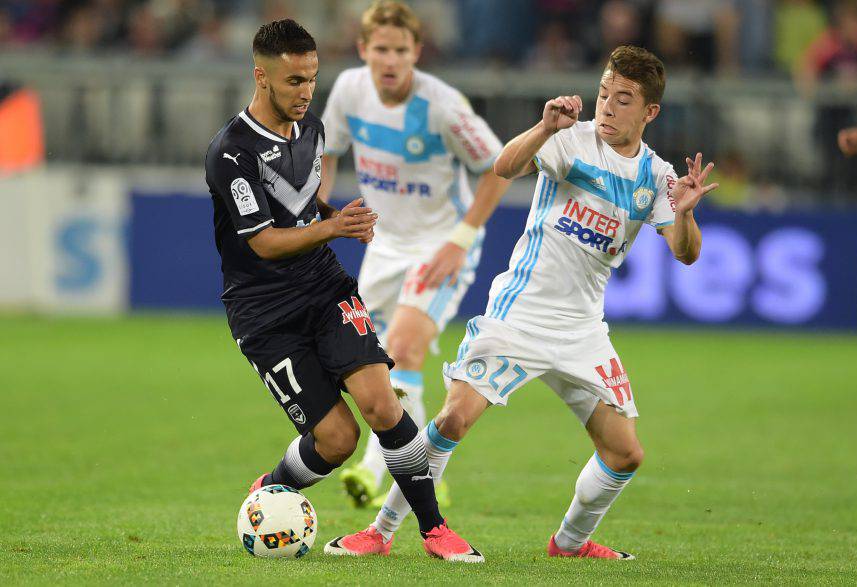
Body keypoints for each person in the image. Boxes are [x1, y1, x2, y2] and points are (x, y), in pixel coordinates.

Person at [328, 45, 718, 559]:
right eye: (603, 95)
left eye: (623, 100)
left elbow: (685, 253)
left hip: (583, 330)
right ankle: (379, 533)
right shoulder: (571, 143)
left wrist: (686, 213)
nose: (606, 108)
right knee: (452, 421)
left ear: (650, 113)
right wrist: (544, 128)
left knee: (625, 453)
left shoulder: (656, 177)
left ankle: (570, 543)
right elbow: (504, 165)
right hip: (520, 314)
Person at [204, 18, 481, 562]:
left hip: (324, 286)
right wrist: (332, 227)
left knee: (382, 402)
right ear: (260, 77)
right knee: (337, 440)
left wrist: (336, 215)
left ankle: (434, 530)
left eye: (311, 79)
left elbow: (303, 209)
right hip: (264, 314)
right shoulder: (231, 152)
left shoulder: (312, 130)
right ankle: (270, 491)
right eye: (293, 82)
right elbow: (261, 242)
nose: (306, 93)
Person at [318, 0, 511, 510]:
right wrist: (321, 212)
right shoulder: (349, 91)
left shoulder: (443, 105)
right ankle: (424, 472)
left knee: (402, 349)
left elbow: (498, 167)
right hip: (380, 247)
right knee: (375, 359)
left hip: (439, 247)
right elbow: (329, 151)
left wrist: (461, 239)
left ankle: (370, 468)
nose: (389, 60)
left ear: (416, 53)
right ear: (363, 50)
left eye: (400, 50)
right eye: (380, 49)